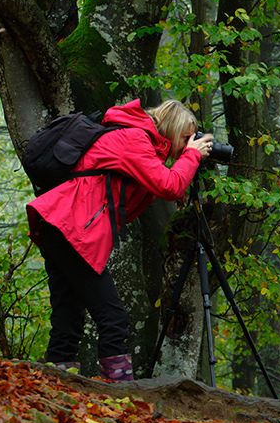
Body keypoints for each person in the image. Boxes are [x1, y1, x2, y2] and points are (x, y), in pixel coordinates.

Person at [26, 99, 213, 381]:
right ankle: (118, 394)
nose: (188, 144)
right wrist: (192, 156)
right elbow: (169, 186)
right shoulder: (134, 138)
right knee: (112, 317)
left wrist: (185, 166)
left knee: (68, 316)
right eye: (185, 137)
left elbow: (156, 189)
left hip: (59, 224)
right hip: (69, 226)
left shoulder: (138, 143)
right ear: (172, 130)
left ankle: (56, 387)